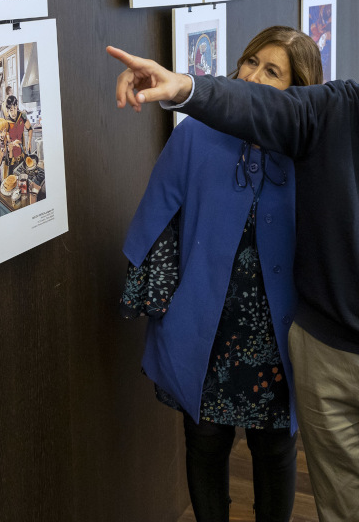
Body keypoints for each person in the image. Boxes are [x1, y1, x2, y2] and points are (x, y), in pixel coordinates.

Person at [110, 4, 359, 522]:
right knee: (333, 498)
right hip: (315, 346)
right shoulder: (332, 111)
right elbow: (164, 211)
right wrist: (184, 86)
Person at [121, 26, 323, 522]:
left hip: (279, 329)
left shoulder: (312, 148)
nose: (252, 75)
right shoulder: (195, 133)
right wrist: (155, 301)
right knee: (204, 440)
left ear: (299, 90)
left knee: (274, 447)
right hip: (204, 321)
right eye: (251, 61)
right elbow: (159, 218)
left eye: (272, 71)